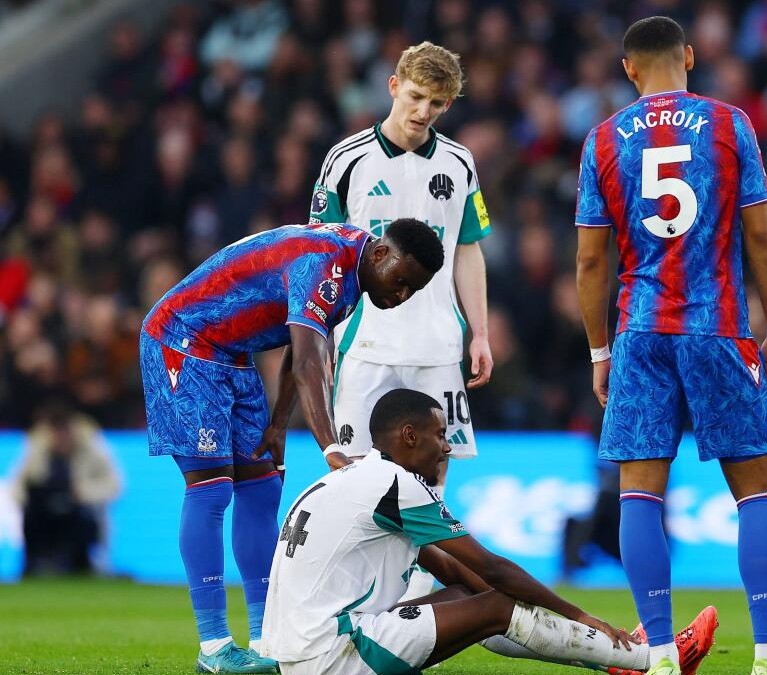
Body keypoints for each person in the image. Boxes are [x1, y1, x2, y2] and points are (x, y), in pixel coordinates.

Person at [575, 16, 767, 675]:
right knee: (755, 489)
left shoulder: (602, 138)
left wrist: (599, 351)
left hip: (641, 330)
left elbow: (590, 261)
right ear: (691, 57)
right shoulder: (730, 124)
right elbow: (763, 236)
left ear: (628, 69)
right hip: (718, 325)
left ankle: (659, 652)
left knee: (639, 492)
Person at [140, 218, 444, 674]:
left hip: (232, 352)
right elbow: (307, 363)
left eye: (412, 291)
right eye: (401, 281)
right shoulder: (325, 263)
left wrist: (279, 424)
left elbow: (297, 344)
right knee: (211, 487)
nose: (401, 296)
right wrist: (332, 449)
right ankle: (214, 645)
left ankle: (265, 638)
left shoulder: (352, 274)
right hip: (183, 339)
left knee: (262, 486)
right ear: (381, 254)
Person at [261, 388, 718, 675]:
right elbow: (492, 567)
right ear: (409, 435)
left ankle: (618, 658)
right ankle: (649, 660)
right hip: (334, 655)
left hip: (300, 653)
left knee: (475, 599)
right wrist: (580, 615)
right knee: (496, 605)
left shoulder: (351, 478)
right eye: (439, 435)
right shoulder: (395, 484)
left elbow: (455, 572)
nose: (446, 447)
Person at [309, 41, 493, 601]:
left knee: (433, 474)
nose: (422, 111)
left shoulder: (459, 163)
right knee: (351, 472)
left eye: (436, 104)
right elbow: (319, 255)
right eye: (415, 97)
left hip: (437, 345)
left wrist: (480, 332)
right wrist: (320, 333)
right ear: (393, 86)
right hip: (364, 342)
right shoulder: (346, 160)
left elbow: (468, 249)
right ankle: (345, 591)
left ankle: (411, 592)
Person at [13, 398, 121, 577]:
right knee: (32, 517)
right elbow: (18, 484)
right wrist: (32, 499)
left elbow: (114, 485)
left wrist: (82, 493)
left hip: (79, 511)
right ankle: (36, 563)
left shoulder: (93, 447)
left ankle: (82, 564)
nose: (61, 437)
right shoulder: (37, 447)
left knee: (82, 521)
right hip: (43, 513)